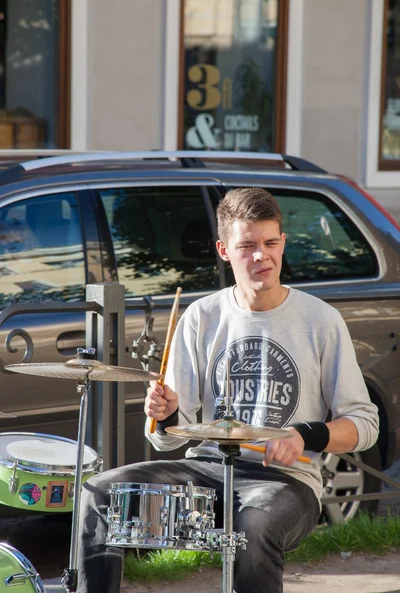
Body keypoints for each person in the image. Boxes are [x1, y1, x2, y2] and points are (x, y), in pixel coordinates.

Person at [76, 187, 379, 593]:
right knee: (97, 492)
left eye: (271, 243)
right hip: (205, 469)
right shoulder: (202, 316)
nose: (261, 256)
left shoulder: (321, 321)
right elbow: (166, 438)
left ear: (283, 243)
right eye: (247, 245)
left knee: (253, 527)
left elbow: (364, 424)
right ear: (224, 249)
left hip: (286, 481)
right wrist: (164, 413)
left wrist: (305, 435)